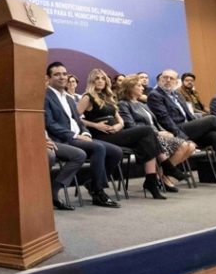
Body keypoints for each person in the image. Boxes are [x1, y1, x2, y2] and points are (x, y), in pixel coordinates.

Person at [77, 68, 166, 199]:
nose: (100, 81)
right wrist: (95, 125)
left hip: (116, 133)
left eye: (103, 78)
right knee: (147, 130)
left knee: (146, 142)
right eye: (97, 78)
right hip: (101, 136)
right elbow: (74, 118)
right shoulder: (87, 97)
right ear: (91, 81)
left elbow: (120, 120)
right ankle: (165, 168)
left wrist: (119, 125)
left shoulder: (108, 97)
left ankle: (151, 181)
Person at [44, 62, 120, 208]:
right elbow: (50, 124)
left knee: (116, 152)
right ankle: (98, 192)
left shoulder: (69, 98)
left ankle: (92, 183)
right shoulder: (45, 96)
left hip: (80, 137)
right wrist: (75, 136)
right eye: (57, 74)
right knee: (98, 148)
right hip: (63, 139)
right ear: (48, 77)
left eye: (64, 74)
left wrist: (85, 133)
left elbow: (78, 120)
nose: (62, 77)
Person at [116, 75, 197, 191]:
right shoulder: (123, 104)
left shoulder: (143, 104)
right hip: (143, 139)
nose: (142, 88)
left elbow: (155, 122)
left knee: (191, 146)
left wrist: (164, 131)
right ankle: (165, 177)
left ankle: (163, 177)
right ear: (129, 88)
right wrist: (158, 133)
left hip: (155, 134)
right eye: (139, 86)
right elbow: (131, 126)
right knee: (183, 145)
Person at [47, 132, 85, 211]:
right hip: (30, 141)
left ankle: (54, 190)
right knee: (50, 156)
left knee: (79, 155)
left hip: (46, 139)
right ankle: (41, 194)